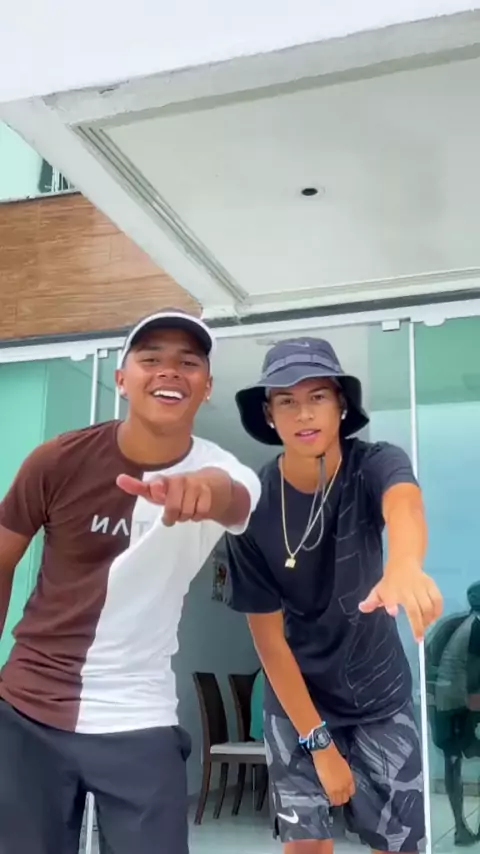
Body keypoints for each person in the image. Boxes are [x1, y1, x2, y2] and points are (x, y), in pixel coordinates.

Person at [0, 308, 261, 854]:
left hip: (139, 715)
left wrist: (203, 490)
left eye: (188, 363)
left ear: (207, 387)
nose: (170, 371)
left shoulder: (225, 470)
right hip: (29, 708)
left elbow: (234, 498)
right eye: (151, 359)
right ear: (121, 380)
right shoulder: (57, 461)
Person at [226, 336, 443, 854]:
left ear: (341, 404)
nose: (304, 413)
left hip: (379, 693)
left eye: (318, 396)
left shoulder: (374, 463)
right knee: (307, 847)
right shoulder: (250, 508)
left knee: (398, 846)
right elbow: (269, 642)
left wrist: (404, 564)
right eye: (286, 400)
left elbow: (404, 506)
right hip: (297, 697)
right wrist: (319, 744)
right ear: (269, 414)